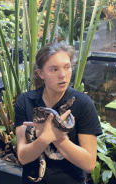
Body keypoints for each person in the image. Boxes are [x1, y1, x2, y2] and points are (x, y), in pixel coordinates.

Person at [14, 42, 102, 184]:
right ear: (41, 73)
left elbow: (89, 164)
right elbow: (23, 157)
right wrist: (45, 138)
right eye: (54, 70)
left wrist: (57, 137)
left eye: (67, 67)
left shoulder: (83, 103)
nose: (63, 75)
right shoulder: (26, 101)